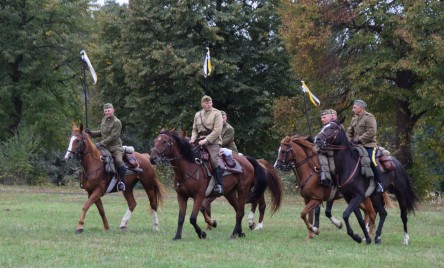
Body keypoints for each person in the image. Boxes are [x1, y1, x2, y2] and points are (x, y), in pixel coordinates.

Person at [86, 103, 126, 191]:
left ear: (113, 110)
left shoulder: (117, 122)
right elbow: (102, 132)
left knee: (119, 161)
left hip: (115, 147)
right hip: (105, 147)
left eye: (109, 110)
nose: (107, 112)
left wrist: (101, 143)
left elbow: (113, 136)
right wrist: (91, 133)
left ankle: (121, 182)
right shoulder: (104, 119)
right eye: (105, 111)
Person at [346, 99, 383, 193]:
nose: (352, 109)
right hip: (355, 146)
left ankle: (379, 183)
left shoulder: (369, 117)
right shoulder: (354, 118)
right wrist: (350, 141)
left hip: (369, 145)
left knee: (371, 161)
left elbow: (372, 132)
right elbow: (349, 132)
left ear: (360, 108)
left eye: (354, 107)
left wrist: (359, 139)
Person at [189, 96, 224, 194]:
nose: (209, 104)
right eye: (206, 103)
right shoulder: (197, 115)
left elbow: (217, 130)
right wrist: (192, 139)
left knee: (213, 160)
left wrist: (206, 140)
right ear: (202, 104)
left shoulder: (217, 113)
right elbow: (194, 130)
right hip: (199, 141)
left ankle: (219, 185)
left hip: (213, 142)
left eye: (210, 102)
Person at [318, 109, 337, 186]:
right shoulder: (324, 128)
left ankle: (339, 187)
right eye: (321, 118)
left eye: (324, 117)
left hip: (332, 153)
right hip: (322, 152)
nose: (322, 119)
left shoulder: (334, 127)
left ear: (330, 117)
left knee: (333, 169)